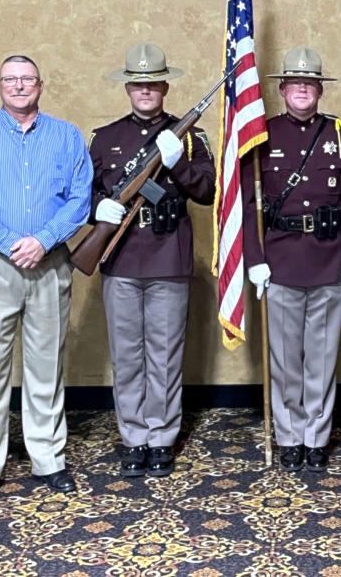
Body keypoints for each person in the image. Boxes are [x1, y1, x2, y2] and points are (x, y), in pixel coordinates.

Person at [0, 55, 92, 507]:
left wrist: (44, 240)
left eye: (26, 79)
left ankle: (48, 459)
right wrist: (14, 242)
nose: (18, 86)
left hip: (50, 264)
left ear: (41, 85)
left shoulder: (67, 136)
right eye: (9, 79)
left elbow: (79, 199)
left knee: (46, 365)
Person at [89, 43, 216, 477]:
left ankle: (161, 436)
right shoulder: (106, 138)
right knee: (127, 355)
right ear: (129, 87)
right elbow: (85, 194)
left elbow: (206, 192)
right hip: (120, 258)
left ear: (165, 86)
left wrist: (178, 163)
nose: (145, 90)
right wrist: (97, 210)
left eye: (153, 83)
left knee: (164, 355)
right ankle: (133, 436)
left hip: (168, 258)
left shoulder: (190, 137)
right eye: (137, 84)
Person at [242, 47, 341, 473]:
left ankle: (317, 435)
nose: (302, 90)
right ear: (281, 89)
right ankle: (289, 434)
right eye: (295, 84)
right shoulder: (261, 134)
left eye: (309, 84)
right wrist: (254, 259)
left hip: (329, 258)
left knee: (323, 356)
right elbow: (247, 203)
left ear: (319, 90)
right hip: (280, 261)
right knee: (285, 359)